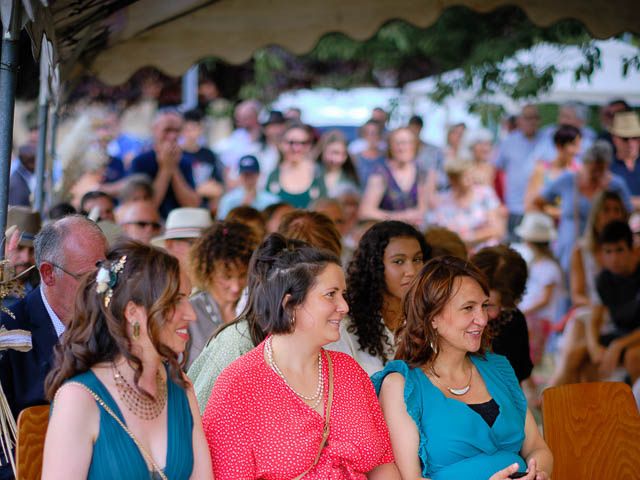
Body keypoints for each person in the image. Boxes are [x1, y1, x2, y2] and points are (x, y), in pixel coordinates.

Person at [202, 234, 399, 479]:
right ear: (290, 304)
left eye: (343, 294)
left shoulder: (348, 371)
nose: (344, 306)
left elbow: (382, 465)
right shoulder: (238, 385)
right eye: (330, 294)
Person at [41, 242, 212, 479]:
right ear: (132, 313)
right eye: (175, 301)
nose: (191, 314)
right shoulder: (78, 400)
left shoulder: (180, 386)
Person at [373, 256, 553, 480]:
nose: (482, 319)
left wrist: (538, 473)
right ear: (432, 318)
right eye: (468, 308)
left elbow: (537, 446)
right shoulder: (401, 387)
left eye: (484, 306)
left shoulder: (499, 368)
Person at [187, 215, 343, 412]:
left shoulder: (317, 350)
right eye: (330, 294)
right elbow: (199, 419)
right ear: (289, 300)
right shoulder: (236, 343)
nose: (344, 306)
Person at [0, 216, 106, 480]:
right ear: (48, 273)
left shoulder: (113, 326)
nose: (100, 289)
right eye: (87, 278)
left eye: (105, 274)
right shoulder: (7, 335)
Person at [330, 221, 430, 375]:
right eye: (398, 261)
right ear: (374, 266)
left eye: (417, 259)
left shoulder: (431, 318)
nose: (411, 271)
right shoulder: (346, 325)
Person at [550, 191, 629, 386]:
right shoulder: (581, 250)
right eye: (606, 211)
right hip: (591, 310)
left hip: (619, 314)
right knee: (582, 324)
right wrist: (599, 305)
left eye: (616, 210)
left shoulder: (629, 249)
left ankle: (551, 395)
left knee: (578, 356)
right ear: (596, 216)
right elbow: (577, 295)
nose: (611, 215)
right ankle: (552, 397)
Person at [534, 140, 632, 274]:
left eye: (600, 170)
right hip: (568, 249)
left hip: (604, 250)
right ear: (584, 164)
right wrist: (556, 216)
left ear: (607, 167)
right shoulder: (568, 180)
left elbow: (628, 212)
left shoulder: (616, 185)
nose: (596, 175)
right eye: (592, 170)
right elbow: (538, 202)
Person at [186, 221, 257, 367]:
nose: (235, 287)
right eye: (226, 277)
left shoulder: (256, 307)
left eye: (243, 275)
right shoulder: (190, 312)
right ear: (207, 271)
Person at [586, 221, 640, 383]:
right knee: (580, 354)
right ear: (601, 254)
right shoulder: (602, 280)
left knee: (633, 356)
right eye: (608, 252)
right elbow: (594, 320)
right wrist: (594, 347)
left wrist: (618, 345)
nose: (614, 258)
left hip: (631, 338)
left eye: (620, 250)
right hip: (622, 333)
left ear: (633, 250)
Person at [471, 246, 533, 384]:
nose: (494, 314)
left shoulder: (513, 320)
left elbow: (520, 372)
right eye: (487, 305)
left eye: (503, 307)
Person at [130, 110, 200, 218]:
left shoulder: (185, 162)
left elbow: (192, 204)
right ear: (154, 130)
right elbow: (146, 207)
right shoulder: (140, 162)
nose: (172, 136)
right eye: (167, 130)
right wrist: (166, 169)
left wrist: (173, 168)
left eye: (177, 130)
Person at [515, 213, 564, 364]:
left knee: (531, 356)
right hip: (531, 316)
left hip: (538, 317)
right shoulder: (536, 263)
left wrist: (524, 311)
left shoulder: (549, 267)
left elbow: (545, 299)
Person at [428, 158, 504, 251]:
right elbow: (439, 234)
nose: (471, 180)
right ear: (453, 180)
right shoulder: (443, 201)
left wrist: (470, 239)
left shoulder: (485, 194)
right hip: (456, 253)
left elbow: (498, 230)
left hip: (485, 252)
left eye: (471, 175)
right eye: (465, 177)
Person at [359, 127, 427, 226]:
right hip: (387, 232)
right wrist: (400, 217)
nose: (402, 148)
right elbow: (365, 212)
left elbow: (422, 209)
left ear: (415, 145)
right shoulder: (381, 173)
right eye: (398, 143)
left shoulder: (420, 171)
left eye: (408, 142)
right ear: (390, 146)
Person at [495, 104, 543, 242]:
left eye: (535, 117)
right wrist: (498, 202)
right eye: (528, 117)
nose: (532, 121)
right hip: (514, 208)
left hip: (538, 208)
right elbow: (495, 171)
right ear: (520, 120)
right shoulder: (508, 142)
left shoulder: (546, 141)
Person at [525, 125, 582, 217]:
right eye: (573, 145)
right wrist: (558, 213)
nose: (577, 151)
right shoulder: (541, 170)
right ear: (559, 146)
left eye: (579, 146)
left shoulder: (579, 173)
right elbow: (529, 205)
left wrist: (548, 210)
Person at [266, 123, 326, 209]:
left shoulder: (319, 173)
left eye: (302, 143)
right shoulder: (273, 175)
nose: (296, 148)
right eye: (291, 142)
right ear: (281, 144)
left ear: (309, 145)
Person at [151, 207, 213, 287]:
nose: (204, 251)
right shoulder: (154, 283)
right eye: (193, 244)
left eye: (208, 245)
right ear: (169, 244)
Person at [216, 155, 279, 219]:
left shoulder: (271, 201)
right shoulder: (228, 200)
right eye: (245, 175)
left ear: (258, 174)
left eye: (251, 174)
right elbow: (221, 224)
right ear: (240, 175)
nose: (248, 178)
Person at [608, 111, 640, 209]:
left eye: (635, 138)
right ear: (614, 139)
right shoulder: (607, 166)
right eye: (625, 138)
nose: (631, 143)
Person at [316, 130, 360, 198]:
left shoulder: (350, 178)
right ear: (323, 151)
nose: (339, 159)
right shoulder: (313, 173)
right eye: (334, 153)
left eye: (343, 154)